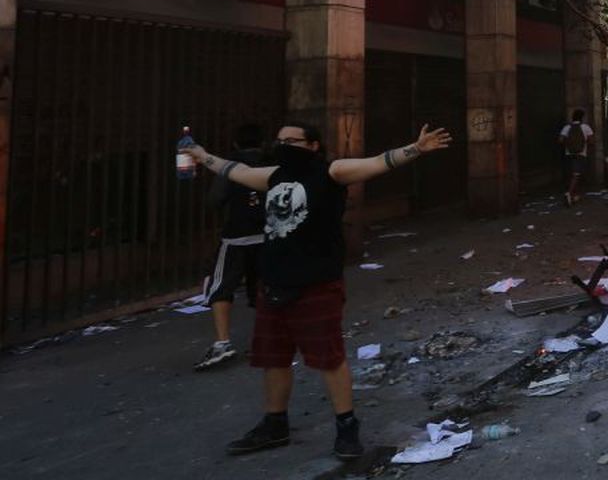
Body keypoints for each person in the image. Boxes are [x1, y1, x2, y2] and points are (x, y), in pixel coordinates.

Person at [182, 122, 452, 460]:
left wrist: (415, 149)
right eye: (279, 140)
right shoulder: (274, 176)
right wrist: (203, 155)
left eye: (291, 141)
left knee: (328, 358)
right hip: (275, 282)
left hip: (315, 283)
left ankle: (346, 426)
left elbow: (375, 163)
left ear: (313, 145)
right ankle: (274, 422)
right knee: (274, 358)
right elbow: (235, 171)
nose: (283, 145)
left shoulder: (330, 172)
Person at [195, 123, 266, 371]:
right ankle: (265, 337)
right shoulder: (271, 163)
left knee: (221, 286)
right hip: (267, 235)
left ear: (235, 144)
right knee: (264, 286)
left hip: (236, 237)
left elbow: (215, 200)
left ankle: (223, 341)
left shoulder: (231, 167)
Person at [559, 109, 594, 205]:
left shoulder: (567, 127)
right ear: (582, 117)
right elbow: (591, 141)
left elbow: (561, 140)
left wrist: (570, 144)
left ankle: (574, 195)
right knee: (577, 174)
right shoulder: (586, 127)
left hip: (569, 153)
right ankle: (569, 193)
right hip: (581, 153)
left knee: (572, 174)